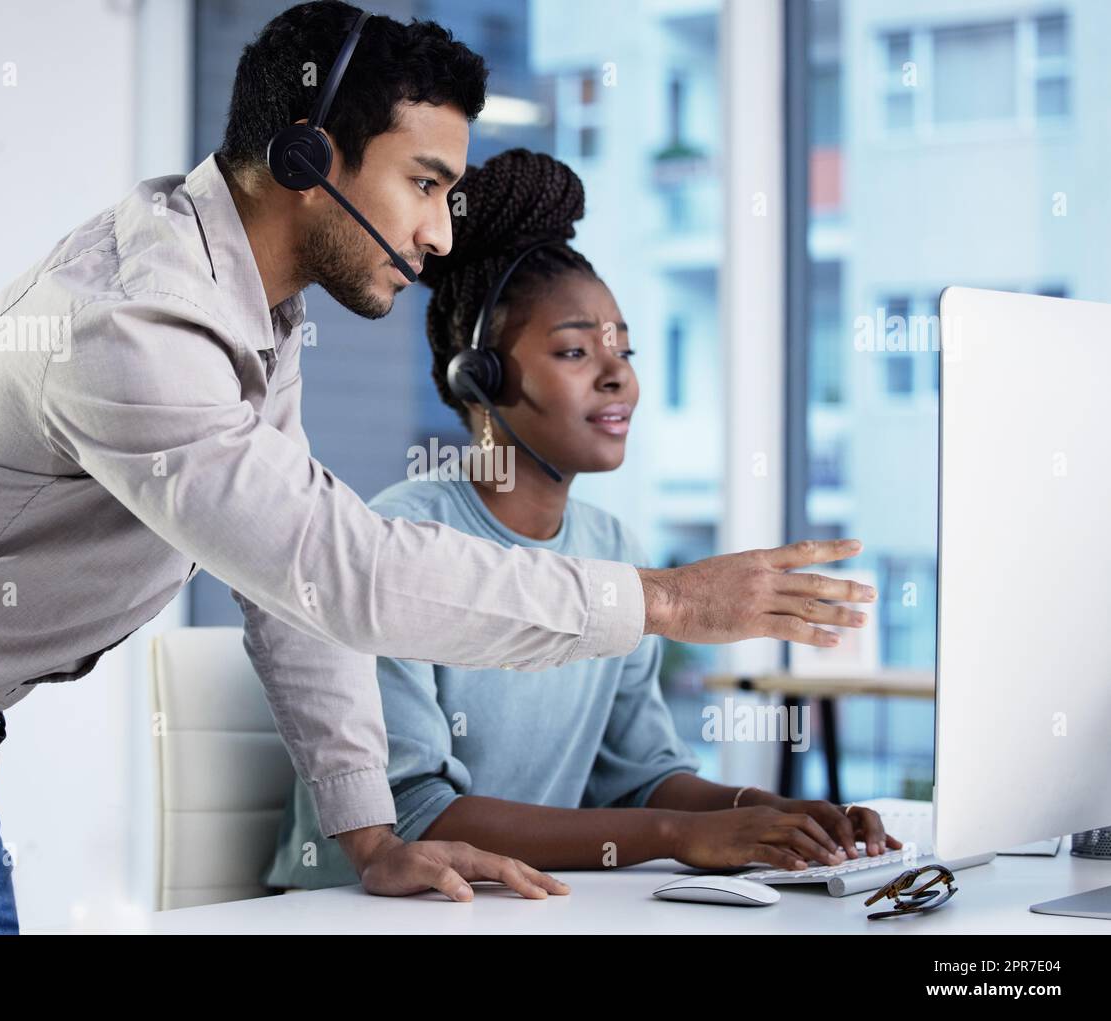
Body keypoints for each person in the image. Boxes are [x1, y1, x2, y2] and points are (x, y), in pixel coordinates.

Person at [0, 2, 874, 933]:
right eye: (423, 183)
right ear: (310, 160)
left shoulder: (250, 321)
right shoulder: (138, 321)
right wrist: (668, 601)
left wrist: (372, 839)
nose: (435, 234)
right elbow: (344, 571)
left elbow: (291, 591)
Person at [264, 149, 897, 890]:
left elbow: (640, 778)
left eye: (622, 349)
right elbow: (414, 815)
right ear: (480, 376)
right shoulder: (399, 543)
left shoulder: (610, 549)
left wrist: (771, 812)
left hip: (506, 907)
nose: (617, 373)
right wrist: (679, 835)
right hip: (358, 913)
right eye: (573, 350)